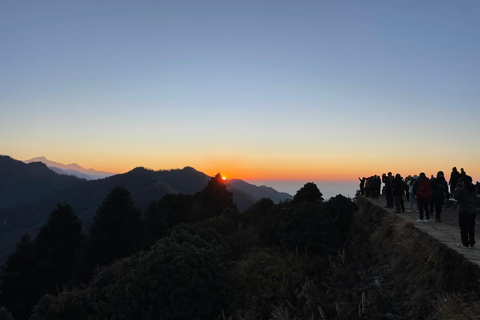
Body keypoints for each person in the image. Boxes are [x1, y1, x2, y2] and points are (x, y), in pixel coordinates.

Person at [454, 175, 478, 248]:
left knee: (463, 228)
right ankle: (472, 242)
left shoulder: (462, 190)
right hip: (472, 211)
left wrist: (458, 188)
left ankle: (465, 243)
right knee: (471, 228)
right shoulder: (475, 189)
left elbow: (456, 196)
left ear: (464, 182)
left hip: (464, 211)